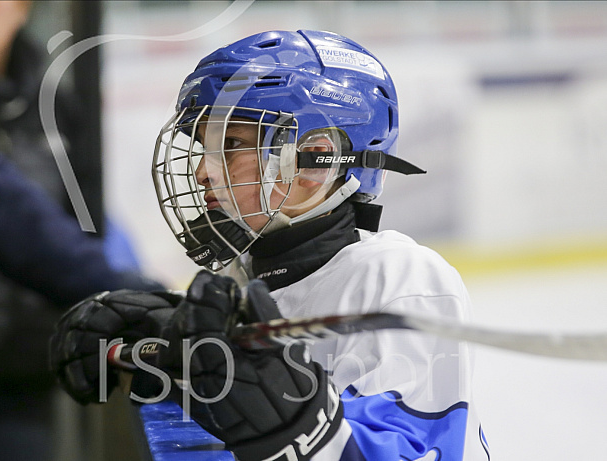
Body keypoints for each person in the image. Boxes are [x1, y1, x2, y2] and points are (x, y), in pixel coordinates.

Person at [50, 30, 490, 460]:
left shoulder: (400, 279)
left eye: (233, 144)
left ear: (315, 161)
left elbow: (412, 450)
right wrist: (154, 355)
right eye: (203, 147)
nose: (203, 171)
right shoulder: (237, 279)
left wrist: (293, 417)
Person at [0, 65, 163, 461]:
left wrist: (118, 288)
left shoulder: (54, 98)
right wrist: (119, 289)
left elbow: (74, 217)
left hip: (24, 367)